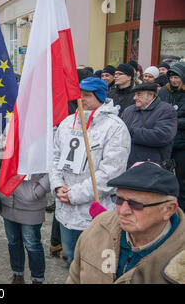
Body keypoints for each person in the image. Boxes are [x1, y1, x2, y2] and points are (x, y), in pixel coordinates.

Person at [49, 77, 131, 267]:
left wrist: (74, 194)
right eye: (80, 95)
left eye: (87, 95)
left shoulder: (115, 127)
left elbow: (111, 173)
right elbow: (54, 159)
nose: (82, 99)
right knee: (71, 259)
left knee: (96, 264)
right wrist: (58, 186)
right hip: (66, 212)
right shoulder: (67, 123)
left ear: (100, 97)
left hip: (96, 212)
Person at [67, 162, 185, 284]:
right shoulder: (98, 227)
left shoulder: (180, 256)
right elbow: (74, 278)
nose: (123, 211)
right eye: (119, 199)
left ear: (168, 209)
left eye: (135, 204)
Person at [0, 174, 49, 284]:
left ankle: (37, 279)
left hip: (31, 203)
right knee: (13, 242)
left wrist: (38, 191)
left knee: (32, 244)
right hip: (8, 199)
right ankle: (17, 275)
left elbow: (53, 167)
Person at [121, 82, 177, 169]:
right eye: (135, 94)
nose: (134, 98)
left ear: (151, 95)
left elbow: (163, 136)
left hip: (152, 166)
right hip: (127, 164)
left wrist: (132, 132)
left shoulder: (166, 110)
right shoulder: (129, 110)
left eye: (139, 94)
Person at [159, 62, 185, 211]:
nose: (174, 81)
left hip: (182, 143)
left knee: (181, 179)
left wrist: (173, 121)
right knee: (164, 177)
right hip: (165, 142)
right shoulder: (164, 92)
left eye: (177, 77)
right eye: (172, 77)